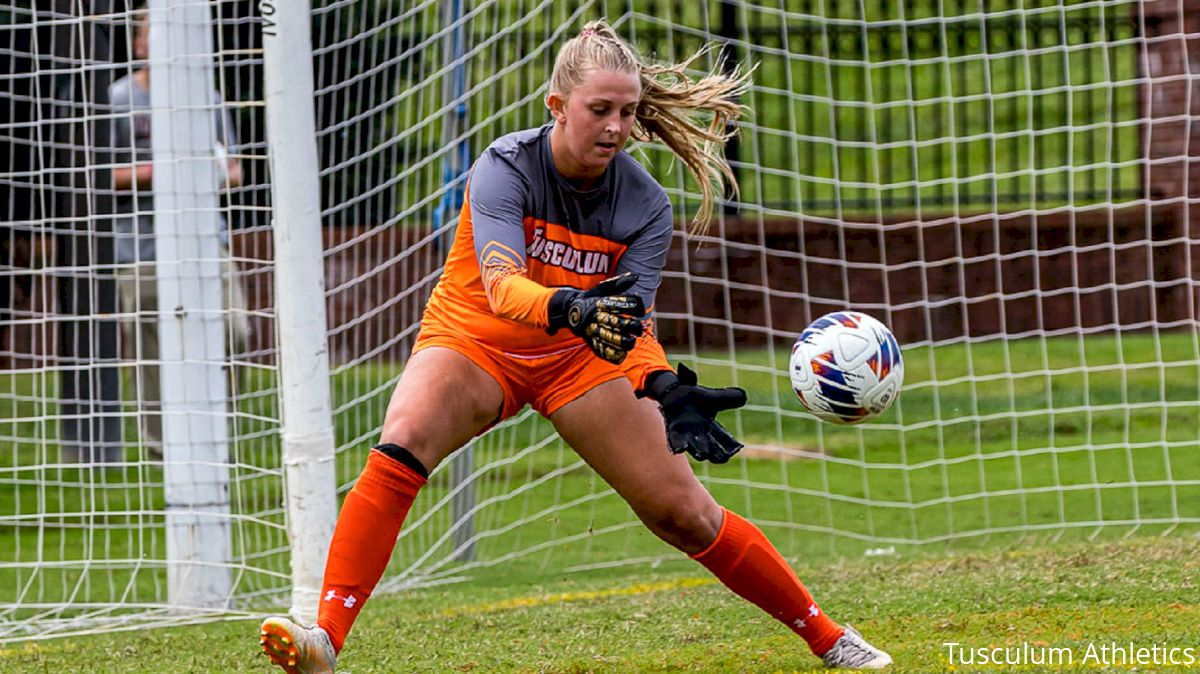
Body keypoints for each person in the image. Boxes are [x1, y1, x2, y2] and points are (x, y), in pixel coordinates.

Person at [258, 21, 892, 672]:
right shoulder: (506, 167)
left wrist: (664, 388)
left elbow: (630, 323)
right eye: (600, 110)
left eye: (627, 111)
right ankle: (324, 641)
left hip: (574, 360)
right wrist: (572, 305)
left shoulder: (645, 205)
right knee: (406, 434)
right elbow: (504, 289)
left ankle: (831, 640)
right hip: (476, 340)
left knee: (684, 513)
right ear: (557, 107)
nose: (616, 127)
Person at [109, 6, 250, 456]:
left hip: (208, 242)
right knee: (151, 350)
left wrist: (205, 170)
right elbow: (100, 176)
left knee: (235, 331)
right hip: (140, 248)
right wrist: (161, 171)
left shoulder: (205, 96)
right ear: (139, 44)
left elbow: (234, 170)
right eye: (157, 33)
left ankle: (217, 435)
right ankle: (160, 448)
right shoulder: (117, 100)